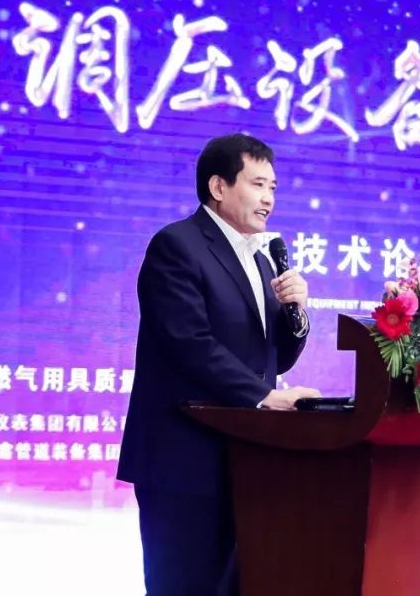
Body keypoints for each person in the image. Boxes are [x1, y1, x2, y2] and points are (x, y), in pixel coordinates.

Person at [117, 133, 321, 596]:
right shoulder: (177, 245)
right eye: (257, 184)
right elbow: (188, 342)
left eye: (273, 187)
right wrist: (265, 397)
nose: (268, 198)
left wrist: (297, 312)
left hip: (247, 460)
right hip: (183, 460)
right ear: (218, 186)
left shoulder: (263, 260)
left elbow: (274, 356)